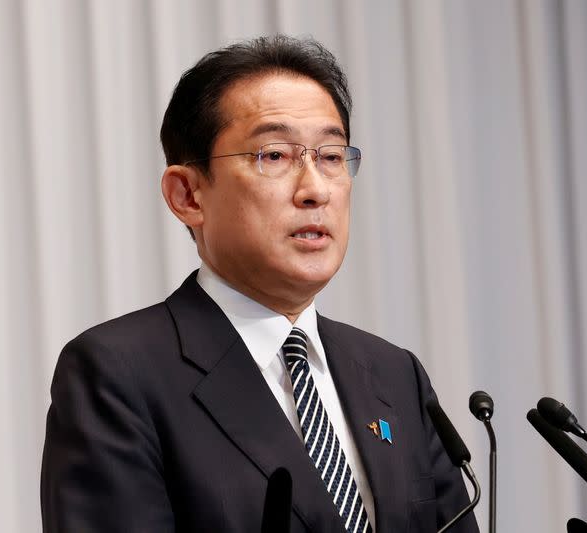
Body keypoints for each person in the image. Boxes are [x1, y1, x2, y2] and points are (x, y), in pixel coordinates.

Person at [41, 35, 478, 533]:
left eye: (332, 156)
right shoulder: (118, 374)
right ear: (188, 194)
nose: (315, 189)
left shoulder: (394, 374)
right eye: (274, 155)